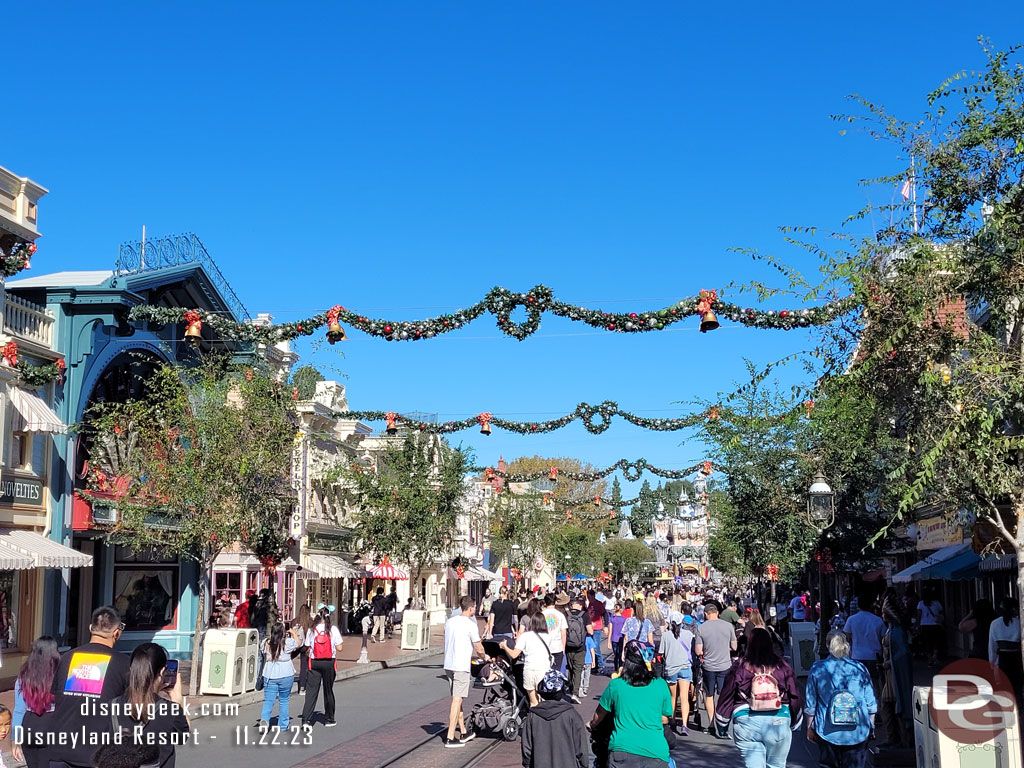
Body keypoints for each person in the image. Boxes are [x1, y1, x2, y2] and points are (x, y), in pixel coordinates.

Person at [37, 606, 131, 767]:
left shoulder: (66, 658)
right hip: (99, 754)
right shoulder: (124, 663)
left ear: (90, 628)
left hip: (61, 748)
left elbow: (57, 698)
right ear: (117, 632)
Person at [715, 627, 802, 767]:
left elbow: (727, 695)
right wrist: (795, 721)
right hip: (778, 720)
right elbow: (794, 695)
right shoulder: (782, 666)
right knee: (777, 764)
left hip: (746, 721)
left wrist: (722, 723)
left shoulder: (740, 666)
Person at [590, 640, 673, 768]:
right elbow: (666, 718)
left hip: (622, 751)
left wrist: (591, 724)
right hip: (656, 752)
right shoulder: (660, 684)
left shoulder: (616, 685)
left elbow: (598, 715)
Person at [110, 642, 190, 768]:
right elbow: (183, 735)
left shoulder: (113, 706)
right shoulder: (170, 711)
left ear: (132, 669)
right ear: (162, 671)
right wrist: (177, 699)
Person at [805, 631, 877, 767]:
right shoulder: (859, 668)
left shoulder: (818, 669)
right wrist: (871, 725)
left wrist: (810, 727)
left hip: (827, 730)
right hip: (857, 731)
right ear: (846, 645)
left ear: (827, 646)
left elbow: (811, 704)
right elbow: (870, 703)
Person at [443, 596, 487, 748]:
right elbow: (478, 647)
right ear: (470, 608)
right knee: (457, 700)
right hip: (461, 665)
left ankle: (462, 731)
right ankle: (450, 737)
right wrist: (485, 657)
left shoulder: (450, 622)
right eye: (474, 607)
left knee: (457, 698)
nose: (475, 610)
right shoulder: (470, 625)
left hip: (448, 664)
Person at [521, 670, 587, 768]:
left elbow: (527, 750)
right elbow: (581, 749)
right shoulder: (572, 715)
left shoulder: (532, 716)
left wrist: (528, 764)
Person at [13, 635, 59, 768]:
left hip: (29, 726)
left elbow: (19, 711)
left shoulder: (24, 677)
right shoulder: (60, 676)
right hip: (52, 726)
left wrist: (15, 740)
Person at [695, 601, 736, 731]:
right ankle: (723, 721)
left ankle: (712, 723)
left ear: (706, 614)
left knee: (709, 694)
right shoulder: (728, 626)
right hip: (725, 665)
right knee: (724, 694)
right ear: (717, 613)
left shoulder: (701, 628)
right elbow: (734, 647)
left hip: (709, 666)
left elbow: (698, 651)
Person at [301, 605, 344, 728]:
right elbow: (340, 648)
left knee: (311, 692)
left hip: (314, 663)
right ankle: (329, 719)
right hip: (329, 662)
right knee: (328, 690)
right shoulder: (333, 629)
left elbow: (307, 646)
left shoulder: (311, 629)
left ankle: (306, 720)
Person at [502, 611, 555, 708]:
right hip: (544, 670)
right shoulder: (548, 636)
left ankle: (534, 720)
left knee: (533, 702)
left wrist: (504, 646)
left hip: (530, 669)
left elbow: (514, 655)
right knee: (543, 699)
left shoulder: (525, 636)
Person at [879, 597, 912, 748]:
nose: (882, 615)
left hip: (895, 674)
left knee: (889, 704)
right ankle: (895, 737)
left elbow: (903, 653)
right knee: (889, 705)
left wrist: (889, 663)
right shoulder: (891, 629)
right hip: (890, 674)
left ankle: (899, 738)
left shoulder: (897, 631)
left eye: (883, 613)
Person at [260, 623, 302, 731]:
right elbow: (299, 643)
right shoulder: (288, 643)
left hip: (270, 674)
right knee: (284, 700)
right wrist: (293, 633)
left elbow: (262, 651)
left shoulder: (266, 643)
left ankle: (264, 720)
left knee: (269, 700)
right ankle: (283, 724)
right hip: (286, 673)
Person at [659, 611, 694, 736]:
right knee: (685, 698)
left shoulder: (666, 636)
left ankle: (672, 721)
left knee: (673, 697)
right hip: (685, 667)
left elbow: (661, 653)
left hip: (671, 668)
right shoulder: (689, 634)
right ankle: (684, 724)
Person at [843, 595, 885, 685]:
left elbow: (847, 637)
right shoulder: (878, 620)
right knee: (874, 682)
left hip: (857, 655)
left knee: (858, 683)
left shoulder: (851, 619)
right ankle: (876, 697)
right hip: (874, 656)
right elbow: (884, 638)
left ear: (858, 606)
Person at [989, 597, 1022, 700]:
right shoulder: (1019, 623)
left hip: (1002, 658)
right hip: (1016, 658)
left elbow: (992, 646)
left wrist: (993, 663)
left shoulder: (994, 624)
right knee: (1017, 686)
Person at [564, 594, 593, 701]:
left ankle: (571, 688)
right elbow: (590, 631)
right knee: (578, 669)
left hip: (568, 646)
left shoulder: (566, 614)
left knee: (571, 668)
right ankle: (575, 693)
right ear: (580, 606)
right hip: (580, 647)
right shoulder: (584, 615)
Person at [915, 587, 945, 666]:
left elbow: (919, 616)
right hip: (935, 625)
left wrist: (917, 626)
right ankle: (935, 655)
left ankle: (929, 660)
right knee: (936, 641)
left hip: (924, 625)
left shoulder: (921, 603)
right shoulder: (937, 603)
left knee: (927, 643)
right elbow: (941, 613)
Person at [290, 603, 314, 694]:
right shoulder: (310, 622)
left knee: (288, 660)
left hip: (295, 645)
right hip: (305, 646)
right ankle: (302, 687)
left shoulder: (294, 621)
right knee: (304, 666)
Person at [542, 593, 569, 671]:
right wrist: (563, 648)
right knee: (556, 672)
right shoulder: (560, 615)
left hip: (544, 647)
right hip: (558, 647)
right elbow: (563, 633)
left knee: (544, 672)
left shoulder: (541, 615)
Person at [586, 590, 608, 675]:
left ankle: (601, 665)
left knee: (596, 647)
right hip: (590, 628)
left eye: (589, 596)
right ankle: (594, 665)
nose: (588, 598)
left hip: (597, 628)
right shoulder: (590, 604)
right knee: (591, 647)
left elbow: (604, 614)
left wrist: (605, 625)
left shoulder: (598, 604)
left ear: (592, 596)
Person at [608, 604, 628, 673]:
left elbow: (610, 631)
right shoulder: (624, 619)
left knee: (616, 655)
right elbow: (625, 631)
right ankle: (621, 669)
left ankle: (616, 669)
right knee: (621, 654)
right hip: (621, 639)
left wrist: (608, 642)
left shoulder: (612, 618)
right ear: (621, 610)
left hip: (614, 638)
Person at [582, 628, 599, 697]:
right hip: (588, 660)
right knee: (587, 675)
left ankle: (580, 687)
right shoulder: (589, 639)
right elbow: (592, 651)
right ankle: (585, 688)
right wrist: (593, 661)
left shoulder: (580, 639)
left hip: (581, 660)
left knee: (581, 675)